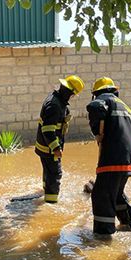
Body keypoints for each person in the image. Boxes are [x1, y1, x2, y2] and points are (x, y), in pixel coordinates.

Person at [86, 77, 131, 234]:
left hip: (113, 156)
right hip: (129, 157)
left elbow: (95, 106)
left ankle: (103, 236)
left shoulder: (104, 99)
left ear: (97, 93)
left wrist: (97, 133)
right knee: (116, 193)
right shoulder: (126, 107)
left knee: (101, 195)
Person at [34, 75, 84, 203]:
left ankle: (46, 192)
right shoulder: (55, 105)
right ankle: (51, 202)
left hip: (44, 146)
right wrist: (56, 148)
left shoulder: (56, 100)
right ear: (70, 92)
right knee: (55, 173)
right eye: (73, 94)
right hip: (49, 148)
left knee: (48, 171)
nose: (73, 97)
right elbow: (48, 130)